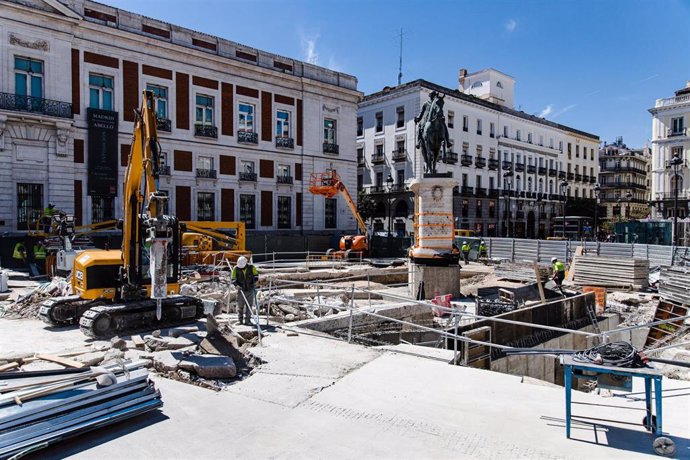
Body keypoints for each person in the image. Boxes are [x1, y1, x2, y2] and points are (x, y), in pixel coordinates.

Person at [231, 256, 259, 326]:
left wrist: (254, 282)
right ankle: (240, 320)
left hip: (250, 289)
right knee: (240, 306)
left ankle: (248, 321)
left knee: (249, 306)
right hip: (241, 290)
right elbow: (233, 279)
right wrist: (236, 285)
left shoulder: (252, 267)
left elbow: (256, 276)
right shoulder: (236, 268)